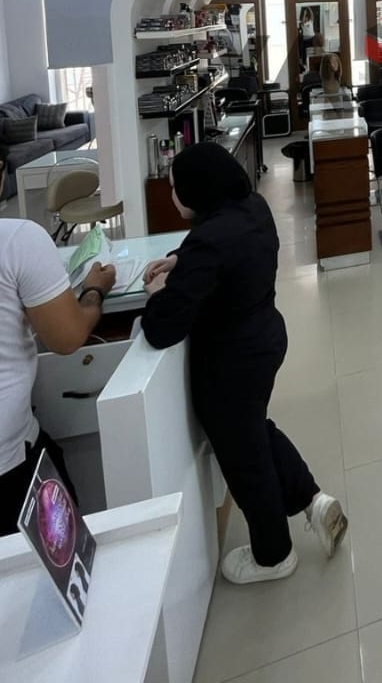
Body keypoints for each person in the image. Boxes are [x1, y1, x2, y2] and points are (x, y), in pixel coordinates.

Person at [140, 142, 346, 585]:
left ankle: (274, 555)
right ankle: (312, 500)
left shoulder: (209, 241)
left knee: (243, 461)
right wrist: (180, 261)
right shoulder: (253, 207)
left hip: (231, 364)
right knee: (254, 432)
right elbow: (228, 256)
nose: (171, 195)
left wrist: (158, 295)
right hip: (265, 339)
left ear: (198, 190)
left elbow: (162, 328)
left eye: (175, 187)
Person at [1, 217, 116, 536]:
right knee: (57, 554)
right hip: (11, 465)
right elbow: (67, 337)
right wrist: (95, 291)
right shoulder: (17, 239)